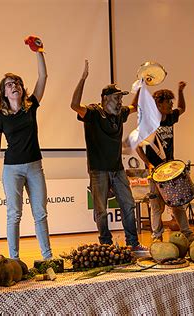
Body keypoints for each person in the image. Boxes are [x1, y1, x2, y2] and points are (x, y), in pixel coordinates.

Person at [70, 60, 147, 254]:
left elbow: (134, 107)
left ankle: (133, 243)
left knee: (128, 204)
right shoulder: (93, 113)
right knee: (101, 210)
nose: (120, 101)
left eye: (121, 98)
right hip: (98, 170)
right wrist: (83, 78)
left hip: (117, 169)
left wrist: (142, 85)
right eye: (116, 97)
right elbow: (74, 105)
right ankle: (105, 244)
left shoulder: (120, 113)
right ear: (104, 98)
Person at [0, 40, 53, 261]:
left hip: (35, 166)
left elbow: (43, 78)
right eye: (8, 84)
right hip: (12, 169)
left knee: (40, 213)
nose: (13, 85)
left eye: (16, 82)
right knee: (14, 215)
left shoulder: (31, 106)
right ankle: (14, 260)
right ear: (4, 92)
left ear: (21, 88)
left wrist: (39, 52)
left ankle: (47, 257)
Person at [136, 82, 194, 243]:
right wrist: (148, 164)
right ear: (158, 104)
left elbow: (182, 108)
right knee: (156, 205)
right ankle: (157, 236)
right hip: (155, 171)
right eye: (168, 102)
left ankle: (187, 232)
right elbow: (138, 148)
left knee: (177, 202)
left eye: (172, 101)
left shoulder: (170, 118)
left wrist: (180, 91)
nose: (171, 105)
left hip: (170, 169)